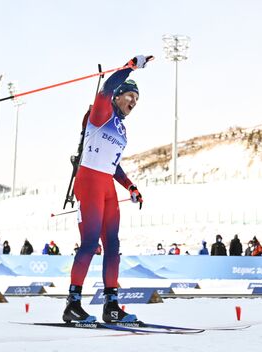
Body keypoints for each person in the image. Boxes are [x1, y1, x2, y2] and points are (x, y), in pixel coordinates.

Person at [63, 55, 152, 324]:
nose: (134, 102)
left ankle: (111, 306)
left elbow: (113, 165)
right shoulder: (102, 113)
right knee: (90, 243)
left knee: (112, 245)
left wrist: (131, 186)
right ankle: (73, 305)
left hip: (106, 186)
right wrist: (130, 66)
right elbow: (107, 88)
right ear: (118, 96)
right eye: (130, 96)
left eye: (137, 98)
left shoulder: (122, 130)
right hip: (89, 181)